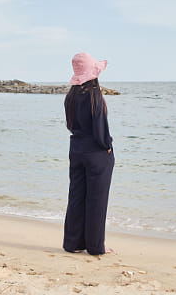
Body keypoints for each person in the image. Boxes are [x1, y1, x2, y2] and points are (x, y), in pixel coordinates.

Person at [63, 52, 114, 255]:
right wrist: (107, 147)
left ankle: (73, 243)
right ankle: (95, 246)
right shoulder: (95, 98)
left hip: (76, 149)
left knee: (76, 196)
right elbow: (101, 131)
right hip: (96, 153)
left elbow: (70, 126)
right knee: (96, 200)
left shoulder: (70, 97)